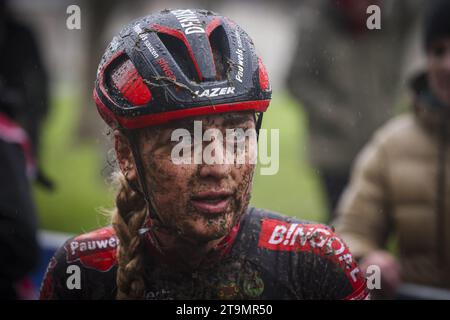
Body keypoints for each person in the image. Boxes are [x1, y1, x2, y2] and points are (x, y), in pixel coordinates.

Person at [39, 9, 368, 300]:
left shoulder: (314, 260)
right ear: (126, 156)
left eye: (238, 134)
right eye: (184, 142)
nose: (219, 165)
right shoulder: (81, 270)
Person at [334, 0, 450, 298]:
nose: (447, 65)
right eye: (438, 51)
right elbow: (351, 231)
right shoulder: (390, 145)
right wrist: (367, 259)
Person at [286, 0, 422, 219]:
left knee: (382, 223)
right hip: (334, 152)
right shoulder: (316, 23)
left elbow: (419, 10)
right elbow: (296, 79)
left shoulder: (388, 21)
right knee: (343, 220)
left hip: (381, 144)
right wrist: (335, 114)